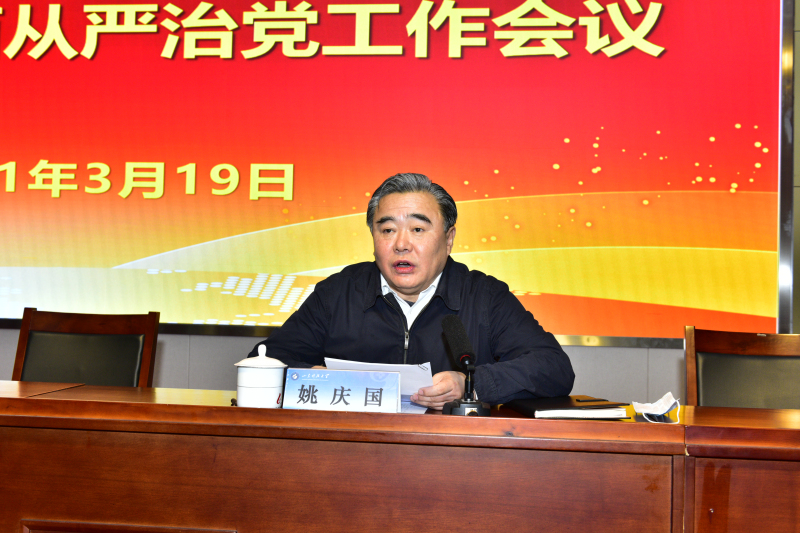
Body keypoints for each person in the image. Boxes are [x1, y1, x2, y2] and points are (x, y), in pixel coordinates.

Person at [248, 173, 574, 409]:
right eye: (387, 229)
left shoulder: (484, 296)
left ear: (448, 239)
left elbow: (553, 368)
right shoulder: (338, 293)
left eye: (418, 229)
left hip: (453, 460)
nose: (401, 244)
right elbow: (263, 362)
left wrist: (470, 384)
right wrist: (314, 377)